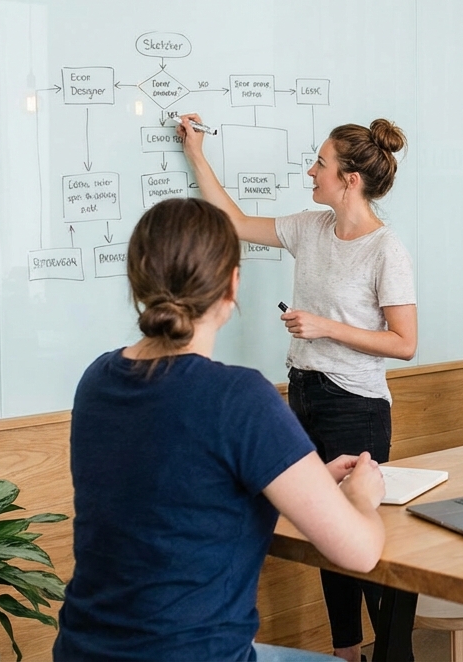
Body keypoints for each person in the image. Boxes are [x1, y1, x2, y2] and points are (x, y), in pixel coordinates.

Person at [55, 198, 386, 662]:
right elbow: (360, 553)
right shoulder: (239, 397)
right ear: (233, 284)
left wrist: (307, 481)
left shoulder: (97, 380)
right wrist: (358, 499)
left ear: (137, 281)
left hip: (82, 651)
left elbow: (183, 497)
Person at [178, 114, 417, 662]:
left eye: (321, 163)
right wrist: (195, 152)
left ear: (350, 179)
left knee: (360, 541)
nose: (311, 171)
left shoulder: (386, 249)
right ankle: (345, 652)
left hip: (355, 405)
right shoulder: (310, 228)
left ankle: (392, 654)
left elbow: (405, 343)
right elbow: (234, 221)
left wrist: (326, 326)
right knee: (324, 538)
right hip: (304, 393)